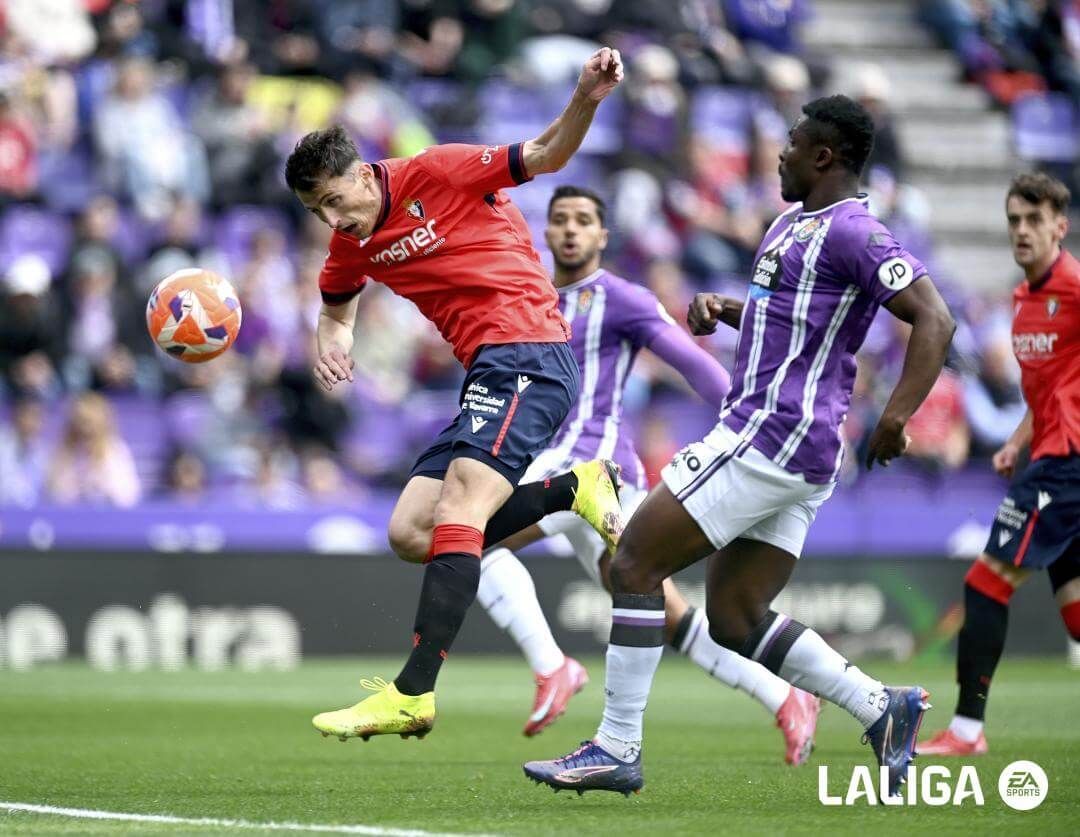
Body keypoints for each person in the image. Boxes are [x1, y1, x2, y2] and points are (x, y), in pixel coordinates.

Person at [524, 95, 957, 798]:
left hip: (771, 434)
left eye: (791, 144)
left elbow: (934, 318)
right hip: (797, 451)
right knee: (734, 616)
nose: (777, 155)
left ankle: (616, 746)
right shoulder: (793, 222)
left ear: (825, 157)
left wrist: (896, 414)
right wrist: (726, 308)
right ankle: (883, 706)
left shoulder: (855, 231)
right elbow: (787, 314)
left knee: (631, 562)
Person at [284, 47, 627, 743]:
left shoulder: (437, 170)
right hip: (489, 372)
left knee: (463, 507)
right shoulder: (350, 246)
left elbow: (547, 155)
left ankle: (413, 691)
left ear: (361, 172)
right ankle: (572, 490)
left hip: (528, 347)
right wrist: (335, 337)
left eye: (334, 198)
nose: (331, 218)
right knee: (411, 531)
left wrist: (587, 95)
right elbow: (335, 307)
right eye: (317, 209)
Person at [478, 185, 823, 765]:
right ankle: (784, 694)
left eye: (583, 220)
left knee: (466, 537)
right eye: (560, 219)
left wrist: (744, 422)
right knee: (670, 617)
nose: (569, 229)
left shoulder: (623, 298)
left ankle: (552, 667)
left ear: (602, 236)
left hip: (595, 470)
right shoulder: (527, 298)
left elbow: (695, 363)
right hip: (557, 472)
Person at [920, 173, 1080, 757]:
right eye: (1014, 220)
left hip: (1066, 466)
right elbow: (1048, 391)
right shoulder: (1023, 299)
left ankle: (966, 732)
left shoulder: (1075, 287)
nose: (1021, 231)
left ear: (1059, 227)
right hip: (1047, 452)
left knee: (984, 582)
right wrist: (1016, 441)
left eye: (1033, 221)